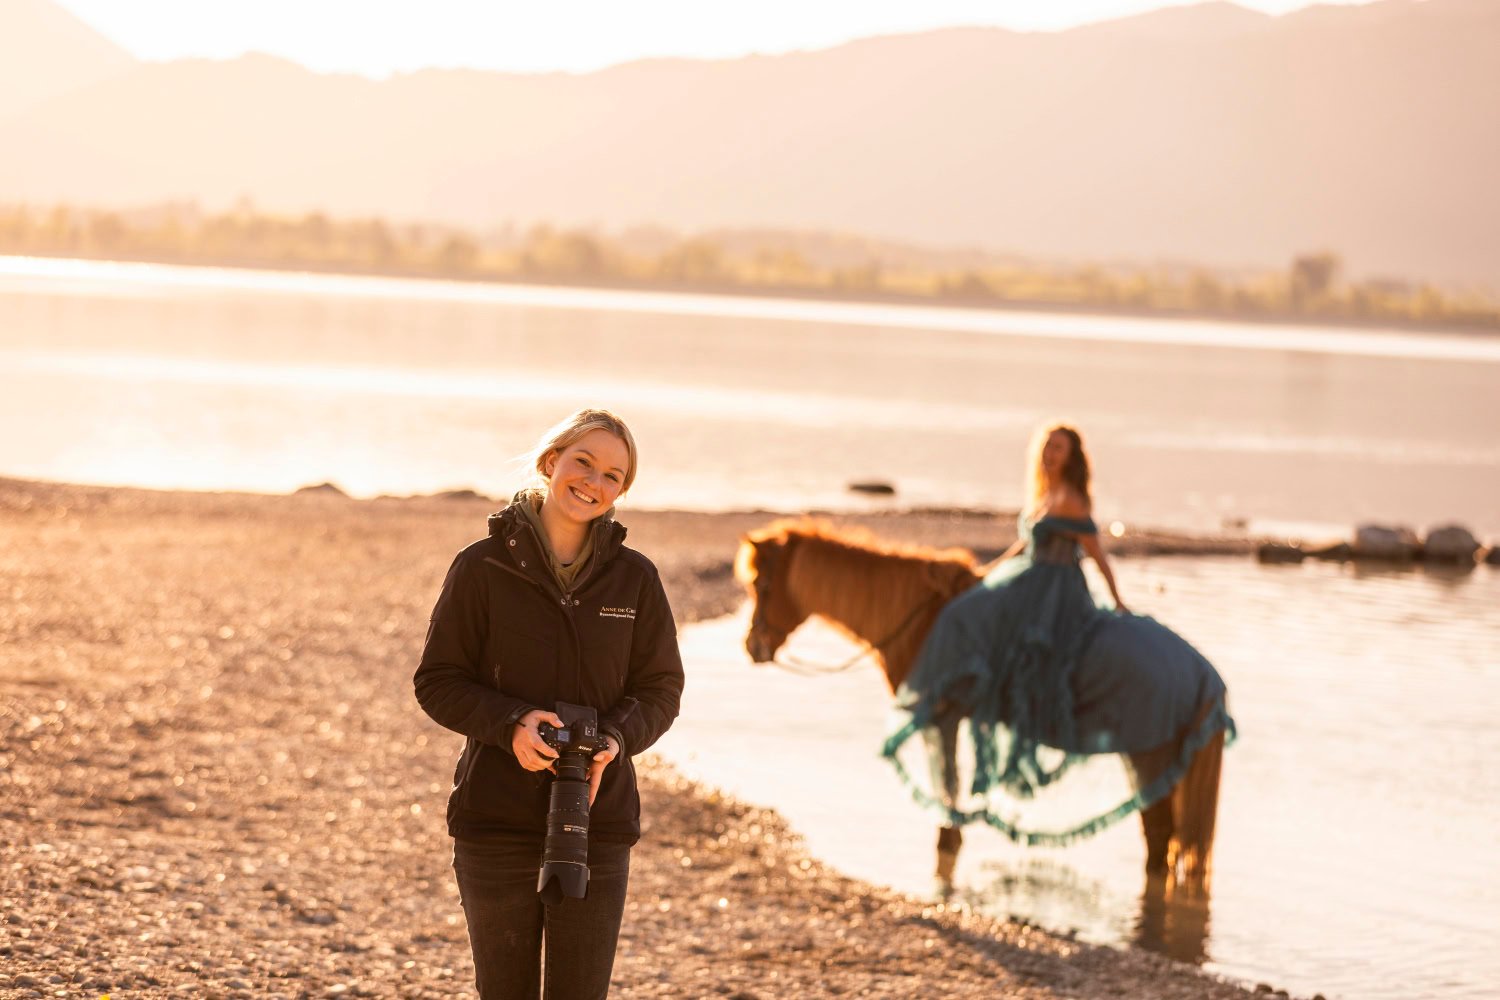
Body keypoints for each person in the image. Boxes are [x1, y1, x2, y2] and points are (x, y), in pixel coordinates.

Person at [414, 408, 684, 1000]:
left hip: (598, 822)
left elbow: (661, 690)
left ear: (622, 491)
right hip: (495, 821)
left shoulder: (636, 580)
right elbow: (437, 680)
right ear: (549, 462)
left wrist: (613, 741)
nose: (593, 481)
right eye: (582, 462)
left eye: (613, 475)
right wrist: (512, 723)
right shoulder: (480, 567)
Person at [882, 423, 1234, 847]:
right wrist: (987, 574)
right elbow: (1026, 546)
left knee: (962, 619)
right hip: (1031, 577)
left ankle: (957, 693)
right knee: (973, 610)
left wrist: (1117, 599)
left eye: (1059, 448)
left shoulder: (1069, 497)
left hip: (1055, 589)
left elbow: (1095, 549)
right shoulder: (1045, 494)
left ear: (1072, 456)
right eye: (1048, 446)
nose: (1051, 453)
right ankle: (963, 694)